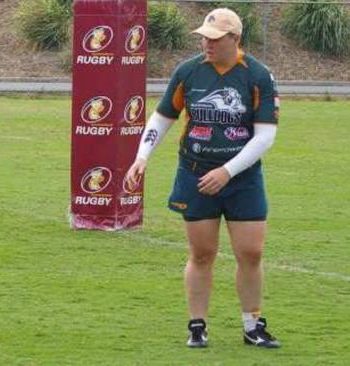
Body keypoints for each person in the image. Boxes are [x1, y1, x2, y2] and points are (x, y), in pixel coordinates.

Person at [125, 8, 281, 348]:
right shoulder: (188, 71)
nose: (206, 44)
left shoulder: (258, 76)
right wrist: (142, 157)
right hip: (195, 173)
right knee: (202, 253)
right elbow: (162, 118)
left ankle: (252, 324)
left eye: (214, 39)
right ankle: (197, 326)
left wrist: (227, 171)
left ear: (234, 39)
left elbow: (265, 135)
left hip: (242, 178)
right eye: (203, 38)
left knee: (251, 252)